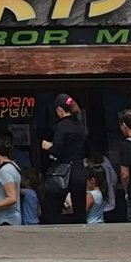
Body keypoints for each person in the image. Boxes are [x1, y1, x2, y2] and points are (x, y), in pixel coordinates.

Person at [39, 93, 90, 223]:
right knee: (79, 207)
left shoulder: (61, 126)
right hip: (79, 170)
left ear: (59, 110)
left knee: (53, 209)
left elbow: (57, 151)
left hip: (63, 171)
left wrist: (48, 147)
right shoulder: (80, 125)